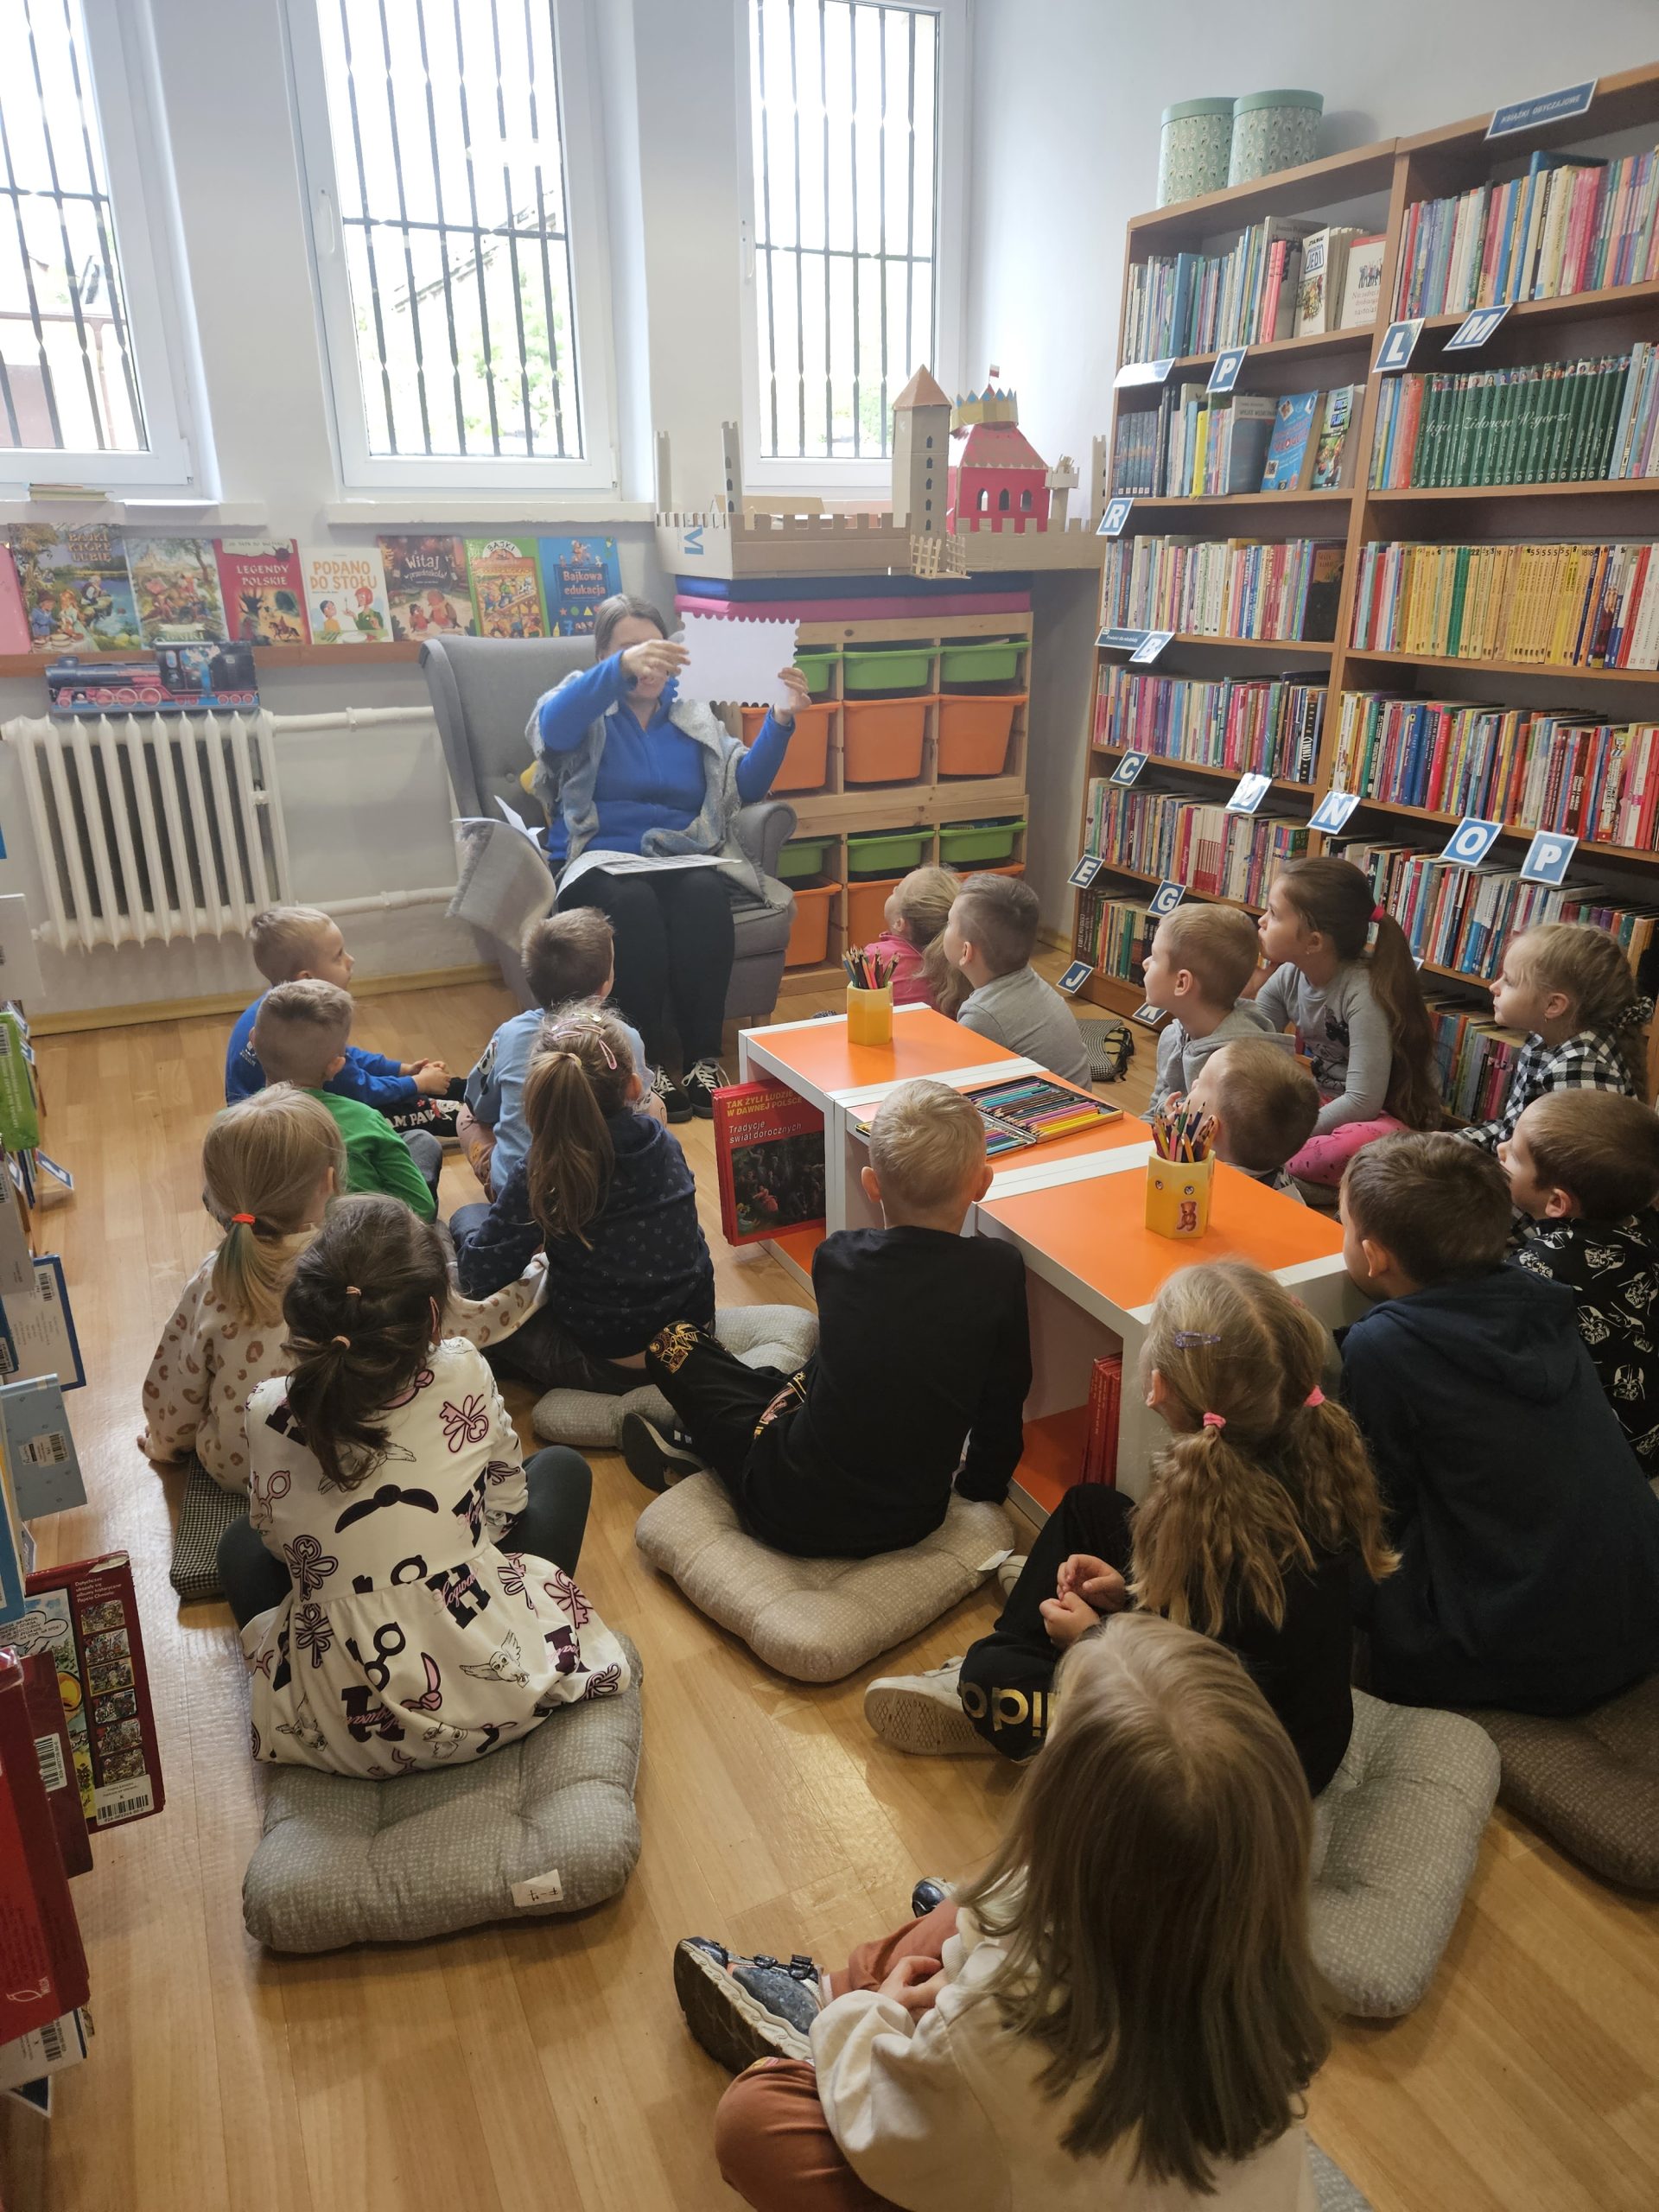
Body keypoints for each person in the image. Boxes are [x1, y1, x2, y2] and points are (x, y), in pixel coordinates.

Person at [679, 1613, 1333, 2212]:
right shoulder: (1261, 1993)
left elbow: (883, 2135)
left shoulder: (998, 2029)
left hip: (964, 2092)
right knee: (973, 1908)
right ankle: (839, 1993)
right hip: (1017, 2074)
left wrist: (871, 2018)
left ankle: (827, 2007)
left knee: (756, 2119)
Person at [867, 1259, 1391, 1783]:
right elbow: (1219, 1632)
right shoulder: (1298, 1463)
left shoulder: (1214, 1534)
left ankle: (997, 1688)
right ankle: (1024, 1653)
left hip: (1231, 1762)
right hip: (1246, 1690)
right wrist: (1132, 1597)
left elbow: (1185, 1704)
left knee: (990, 1675)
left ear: (1157, 1388)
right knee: (1088, 1507)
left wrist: (1094, 1641)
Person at [219, 1197, 629, 1778]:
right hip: (493, 1684)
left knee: (238, 1546)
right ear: (434, 1319)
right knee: (562, 1467)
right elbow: (508, 1503)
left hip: (340, 1732)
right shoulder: (462, 1369)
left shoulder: (268, 1407)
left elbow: (274, 1543)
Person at [620, 1080, 1031, 1560]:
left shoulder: (838, 1257)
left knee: (674, 1343)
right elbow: (1005, 1401)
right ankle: (720, 1437)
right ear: (983, 1183)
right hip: (916, 1517)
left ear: (871, 1184)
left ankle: (699, 1447)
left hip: (784, 1507)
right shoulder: (1001, 1271)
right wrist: (980, 1491)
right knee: (800, 1380)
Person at [1338, 1132, 1659, 1713]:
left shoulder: (1380, 1345)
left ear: (1374, 1255)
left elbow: (1378, 1499)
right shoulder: (1542, 1295)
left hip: (1524, 1652)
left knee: (1319, 1529)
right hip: (1638, 1613)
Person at [138, 1087, 545, 1492]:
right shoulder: (362, 1259)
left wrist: (164, 1444)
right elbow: (471, 1322)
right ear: (331, 1182)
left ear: (217, 1196)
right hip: (362, 1459)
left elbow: (176, 1380)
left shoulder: (213, 1277)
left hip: (240, 1467)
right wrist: (538, 1277)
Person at [531, 593, 811, 1121]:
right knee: (632, 904)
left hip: (679, 857)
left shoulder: (691, 712)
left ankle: (703, 1057)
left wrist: (779, 720)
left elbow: (746, 785)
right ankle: (648, 1062)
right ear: (604, 657)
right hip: (599, 860)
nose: (648, 661)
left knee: (704, 894)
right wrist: (620, 670)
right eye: (630, 649)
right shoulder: (585, 702)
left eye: (655, 647)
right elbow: (553, 730)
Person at [450, 1008, 715, 1394]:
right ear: (634, 1086)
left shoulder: (543, 1166)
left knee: (467, 1217)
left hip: (607, 1363)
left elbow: (481, 1274)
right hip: (697, 1336)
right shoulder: (662, 1141)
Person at [1253, 857, 1442, 1185]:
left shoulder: (1363, 993)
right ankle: (1288, 1171)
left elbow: (1362, 1102)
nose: (1262, 920)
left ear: (1314, 942)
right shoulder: (1287, 978)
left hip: (1387, 1118)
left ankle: (1282, 1169)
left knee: (1351, 1147)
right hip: (1326, 1101)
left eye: (1274, 914)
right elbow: (1251, 1051)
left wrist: (1286, 1135)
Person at [1503, 1090, 1659, 1467]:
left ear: (1557, 1202)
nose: (1500, 1149)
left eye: (1516, 1156)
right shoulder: (1646, 1225)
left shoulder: (1535, 1268)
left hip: (1602, 1453)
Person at [458, 909, 657, 1199]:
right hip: (606, 1190)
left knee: (465, 1116)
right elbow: (637, 1112)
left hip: (524, 1193)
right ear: (604, 987)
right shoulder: (625, 1038)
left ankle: (496, 1180)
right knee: (654, 1104)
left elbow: (479, 1108)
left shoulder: (510, 1034)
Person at [225, 904, 458, 1136]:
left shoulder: (274, 1011)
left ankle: (462, 1092)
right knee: (414, 1107)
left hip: (271, 1117)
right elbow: (362, 1091)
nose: (350, 960)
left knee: (439, 1086)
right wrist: (417, 1083)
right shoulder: (310, 1033)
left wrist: (401, 1070)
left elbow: (345, 1056)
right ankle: (465, 1115)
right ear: (306, 979)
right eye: (338, 957)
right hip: (294, 1132)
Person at [251, 982, 440, 1219]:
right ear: (336, 1066)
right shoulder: (365, 1119)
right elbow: (421, 1209)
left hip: (273, 1235)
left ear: (253, 1040)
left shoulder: (231, 1124)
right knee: (423, 1141)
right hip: (367, 1236)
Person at [1460, 921, 1647, 1153]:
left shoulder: (1580, 1070)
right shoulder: (1541, 1039)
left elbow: (1555, 1168)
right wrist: (1454, 1142)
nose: (1494, 987)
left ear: (1553, 1005)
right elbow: (1510, 1129)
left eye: (1509, 981)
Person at [943, 874, 1091, 1090]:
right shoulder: (1028, 979)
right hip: (1075, 1101)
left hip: (1049, 1110)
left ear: (966, 952)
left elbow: (958, 1088)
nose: (945, 927)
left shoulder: (982, 1016)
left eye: (949, 923)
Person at [1140, 904, 1274, 1112]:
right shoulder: (1172, 1036)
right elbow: (1156, 1109)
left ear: (1181, 983)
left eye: (1155, 957)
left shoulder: (1238, 1067)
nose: (1146, 963)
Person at [1180, 1039, 1322, 1198]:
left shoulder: (1200, 1192)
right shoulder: (1282, 1186)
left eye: (1200, 1083)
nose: (1194, 1084)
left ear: (1209, 1128)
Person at [858, 865, 969, 1015]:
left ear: (899, 923)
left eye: (897, 891)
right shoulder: (962, 959)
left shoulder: (875, 957)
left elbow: (854, 1014)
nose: (894, 889)